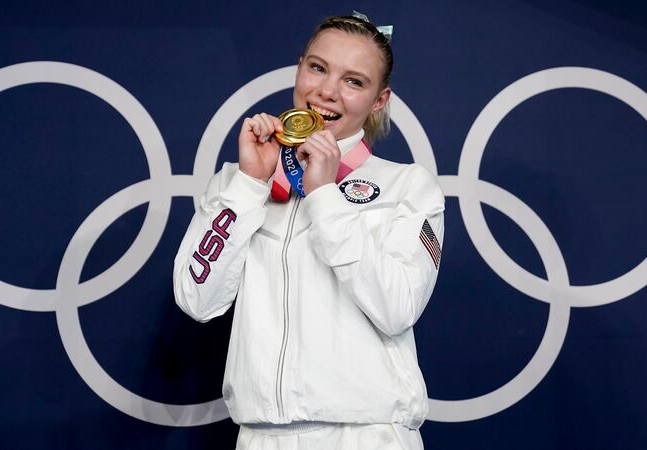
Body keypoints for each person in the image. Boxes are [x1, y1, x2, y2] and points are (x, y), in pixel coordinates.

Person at [173, 13, 445, 450]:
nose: (327, 91)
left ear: (379, 100)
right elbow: (196, 298)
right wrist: (249, 185)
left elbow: (397, 307)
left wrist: (323, 195)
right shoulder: (238, 181)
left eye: (353, 81)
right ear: (299, 68)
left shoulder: (407, 186)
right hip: (260, 436)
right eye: (318, 68)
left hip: (366, 435)